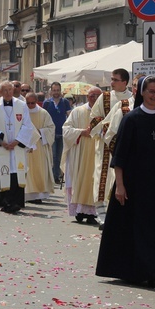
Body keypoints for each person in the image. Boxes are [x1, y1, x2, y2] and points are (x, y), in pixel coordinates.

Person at [96, 76, 155, 289]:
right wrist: (119, 185)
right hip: (134, 186)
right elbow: (120, 156)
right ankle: (135, 271)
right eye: (151, 92)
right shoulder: (132, 119)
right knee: (135, 231)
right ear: (142, 93)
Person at [0, 81, 39, 214]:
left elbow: (27, 125)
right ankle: (5, 202)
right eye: (5, 90)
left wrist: (17, 141)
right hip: (1, 147)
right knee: (2, 172)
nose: (8, 92)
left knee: (16, 172)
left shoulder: (21, 105)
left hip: (17, 147)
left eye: (10, 89)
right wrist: (2, 142)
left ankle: (15, 202)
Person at [89, 68, 133, 229]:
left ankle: (117, 214)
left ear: (124, 82)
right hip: (105, 146)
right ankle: (101, 215)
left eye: (115, 79)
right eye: (112, 79)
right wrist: (107, 128)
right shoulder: (105, 97)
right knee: (102, 177)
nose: (111, 82)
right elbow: (93, 119)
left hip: (125, 147)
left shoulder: (132, 100)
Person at [62, 86, 101, 223]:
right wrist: (81, 132)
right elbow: (66, 130)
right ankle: (79, 210)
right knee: (79, 178)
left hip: (98, 152)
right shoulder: (78, 111)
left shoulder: (106, 112)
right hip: (79, 152)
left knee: (95, 181)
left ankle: (92, 213)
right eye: (92, 95)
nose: (95, 98)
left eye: (98, 95)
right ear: (87, 96)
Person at [24, 92, 55, 204]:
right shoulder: (22, 112)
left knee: (39, 170)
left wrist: (40, 132)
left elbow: (51, 128)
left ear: (37, 102)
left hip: (39, 146)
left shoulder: (43, 113)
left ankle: (38, 195)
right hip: (25, 145)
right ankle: (26, 194)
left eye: (33, 103)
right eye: (28, 103)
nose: (30, 105)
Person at [42, 82, 71, 184]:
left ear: (60, 90)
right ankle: (53, 176)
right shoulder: (47, 103)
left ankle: (57, 175)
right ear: (51, 91)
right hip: (51, 133)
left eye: (58, 90)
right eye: (54, 90)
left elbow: (69, 115)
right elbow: (43, 116)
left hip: (62, 133)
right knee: (52, 156)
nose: (56, 92)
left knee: (59, 156)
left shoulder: (65, 102)